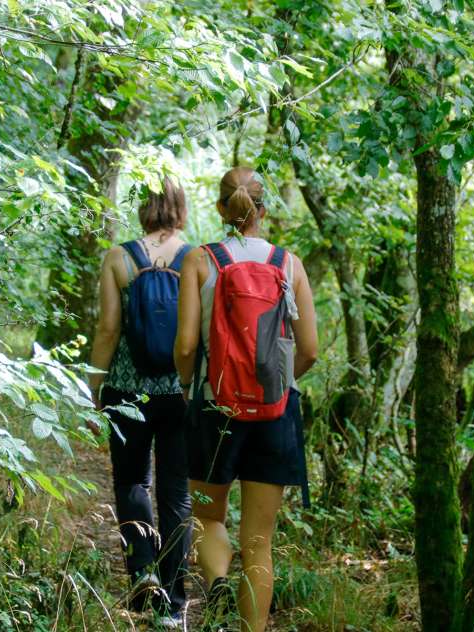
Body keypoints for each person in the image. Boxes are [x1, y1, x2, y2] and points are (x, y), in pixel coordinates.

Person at [174, 167, 318, 632]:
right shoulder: (288, 262)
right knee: (259, 540)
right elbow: (311, 349)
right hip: (276, 414)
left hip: (215, 406)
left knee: (204, 517)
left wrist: (188, 388)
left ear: (221, 209)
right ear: (264, 209)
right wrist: (276, 385)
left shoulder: (200, 260)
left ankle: (216, 581)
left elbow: (186, 346)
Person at [88, 178, 192, 629]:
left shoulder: (118, 258)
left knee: (131, 483)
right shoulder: (199, 260)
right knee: (176, 496)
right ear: (180, 207)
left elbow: (108, 330)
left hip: (129, 391)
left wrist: (94, 386)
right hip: (179, 394)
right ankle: (173, 601)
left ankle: (142, 572)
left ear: (142, 208)